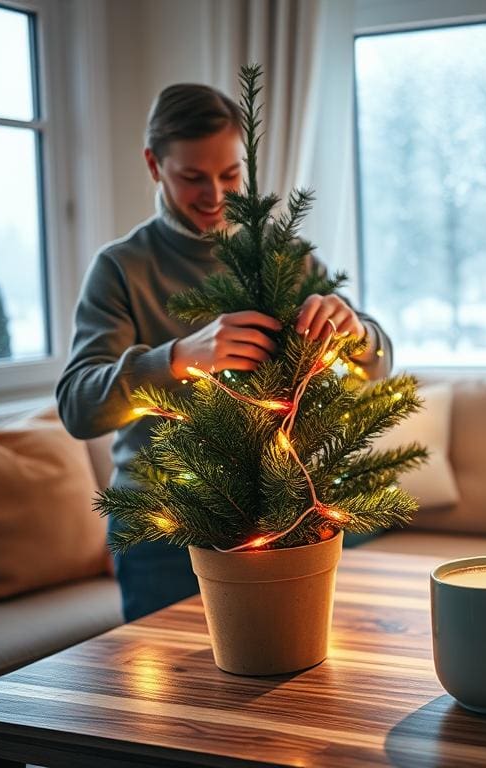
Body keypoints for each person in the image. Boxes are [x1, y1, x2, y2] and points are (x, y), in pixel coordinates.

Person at [56, 83, 393, 622]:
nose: (215, 194)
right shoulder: (120, 269)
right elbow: (78, 407)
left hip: (288, 510)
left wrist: (355, 332)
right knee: (174, 701)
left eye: (230, 175)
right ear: (153, 164)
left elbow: (378, 362)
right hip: (164, 526)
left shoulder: (283, 256)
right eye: (192, 177)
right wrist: (176, 358)